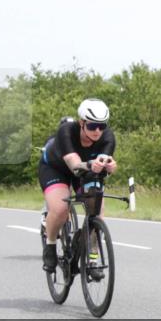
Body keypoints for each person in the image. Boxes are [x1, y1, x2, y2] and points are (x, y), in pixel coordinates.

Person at [39, 100, 118, 277]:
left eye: (102, 126)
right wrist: (92, 165)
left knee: (97, 211)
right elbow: (74, 165)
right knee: (60, 209)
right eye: (92, 126)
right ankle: (50, 245)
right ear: (81, 122)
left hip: (86, 170)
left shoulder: (107, 137)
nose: (98, 131)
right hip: (56, 168)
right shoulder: (66, 131)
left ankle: (92, 258)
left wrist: (110, 166)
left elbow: (105, 162)